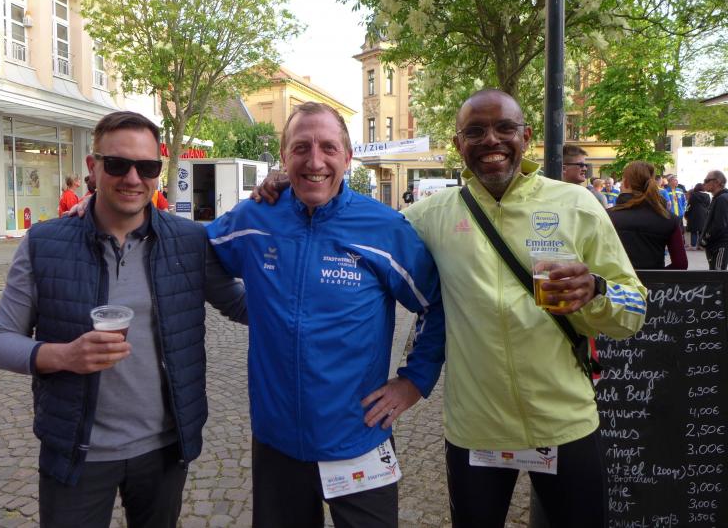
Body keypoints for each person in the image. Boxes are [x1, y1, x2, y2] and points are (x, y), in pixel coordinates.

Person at [255, 91, 646, 528]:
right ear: (459, 145)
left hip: (565, 424)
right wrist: (292, 185)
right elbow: (354, 222)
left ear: (526, 136)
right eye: (475, 131)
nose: (491, 140)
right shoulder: (431, 216)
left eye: (505, 128)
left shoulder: (577, 205)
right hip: (477, 432)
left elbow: (635, 310)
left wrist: (596, 290)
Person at [0, 111, 247, 528]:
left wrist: (285, 205)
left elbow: (243, 306)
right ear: (93, 167)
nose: (132, 178)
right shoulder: (44, 243)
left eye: (147, 167)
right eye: (117, 164)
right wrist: (64, 355)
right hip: (76, 449)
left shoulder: (189, 241)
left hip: (164, 449)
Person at [213, 101, 445, 528]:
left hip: (359, 437)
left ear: (348, 157)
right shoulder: (256, 217)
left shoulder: (384, 228)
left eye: (328, 148)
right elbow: (192, 252)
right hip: (277, 440)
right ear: (284, 157)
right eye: (301, 148)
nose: (315, 161)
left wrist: (414, 381)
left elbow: (436, 304)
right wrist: (245, 305)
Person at [608, 161, 687, 269]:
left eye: (622, 180)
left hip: (616, 279)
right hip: (655, 279)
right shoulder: (669, 219)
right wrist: (658, 274)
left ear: (626, 183)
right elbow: (681, 264)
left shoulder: (606, 216)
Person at [700, 170, 728, 269]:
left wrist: (705, 239)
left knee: (717, 274)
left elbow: (720, 225)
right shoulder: (718, 198)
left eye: (706, 180)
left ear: (717, 182)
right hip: (716, 245)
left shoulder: (722, 199)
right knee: (714, 273)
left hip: (720, 245)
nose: (704, 183)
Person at [684, 183, 709, 250]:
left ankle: (693, 246)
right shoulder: (707, 196)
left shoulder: (693, 195)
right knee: (702, 231)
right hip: (704, 215)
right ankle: (701, 246)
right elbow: (708, 206)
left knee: (694, 231)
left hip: (694, 215)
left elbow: (689, 206)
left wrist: (686, 213)